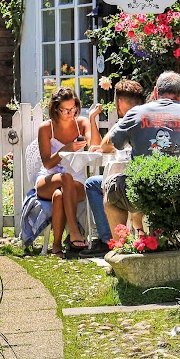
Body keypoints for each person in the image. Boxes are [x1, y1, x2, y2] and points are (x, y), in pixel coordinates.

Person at [102, 70, 180, 232]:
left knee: (111, 192)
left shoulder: (136, 113)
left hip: (145, 192)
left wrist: (125, 120)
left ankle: (121, 247)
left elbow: (106, 145)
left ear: (155, 92)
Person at [78, 79, 146, 258]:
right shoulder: (149, 119)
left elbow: (106, 145)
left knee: (93, 184)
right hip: (146, 179)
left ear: (120, 102)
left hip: (124, 183)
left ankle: (107, 240)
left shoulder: (127, 122)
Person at [34, 86, 102, 257]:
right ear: (56, 108)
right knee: (64, 178)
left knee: (59, 195)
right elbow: (48, 164)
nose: (70, 113)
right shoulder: (45, 128)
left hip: (76, 181)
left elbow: (96, 146)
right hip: (48, 179)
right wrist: (66, 149)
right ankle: (74, 232)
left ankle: (56, 246)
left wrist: (92, 119)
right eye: (65, 110)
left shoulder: (81, 123)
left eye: (73, 108)